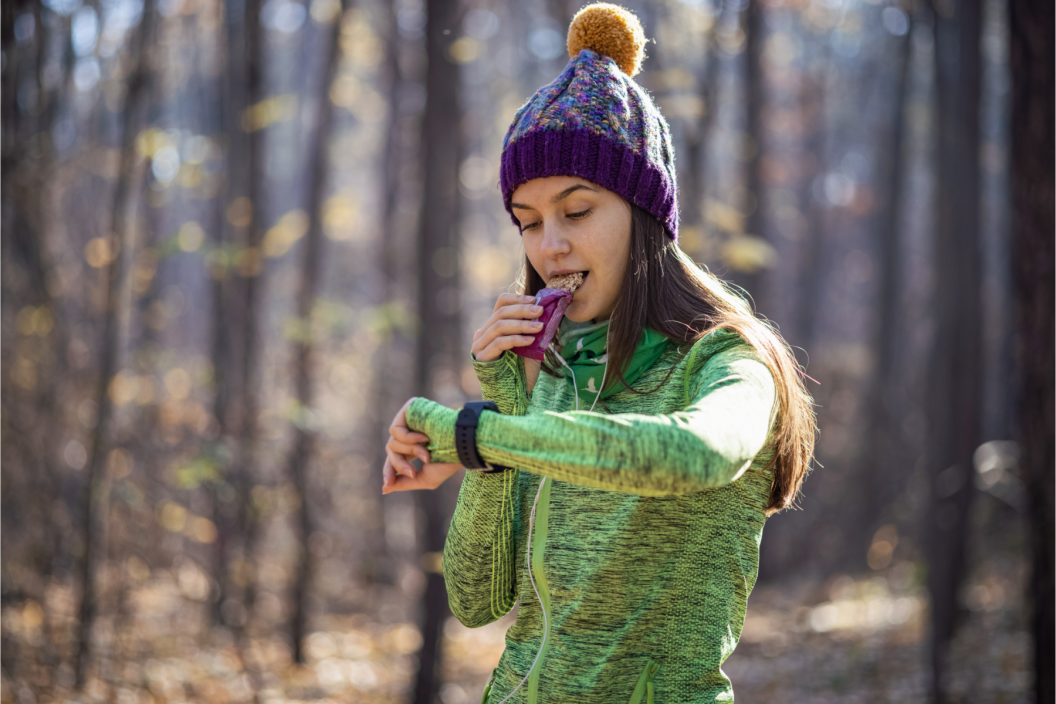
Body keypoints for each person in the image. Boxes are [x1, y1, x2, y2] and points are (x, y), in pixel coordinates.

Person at [381, 4, 817, 702]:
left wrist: (477, 433)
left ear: (645, 218)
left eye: (576, 211)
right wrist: (508, 408)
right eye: (528, 223)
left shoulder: (730, 362)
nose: (549, 245)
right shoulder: (552, 375)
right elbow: (476, 599)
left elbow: (693, 455)